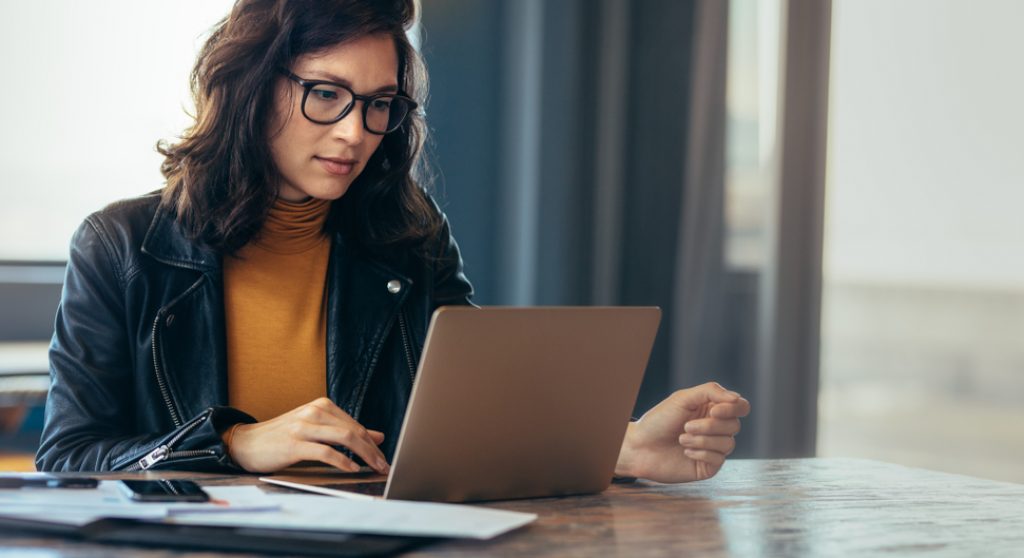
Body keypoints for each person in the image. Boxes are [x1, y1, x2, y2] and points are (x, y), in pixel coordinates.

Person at [35, 0, 750, 483]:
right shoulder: (122, 246)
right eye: (326, 94)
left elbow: (472, 421)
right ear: (250, 86)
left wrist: (620, 447)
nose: (355, 132)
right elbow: (68, 459)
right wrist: (232, 445)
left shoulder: (407, 235)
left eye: (379, 104)